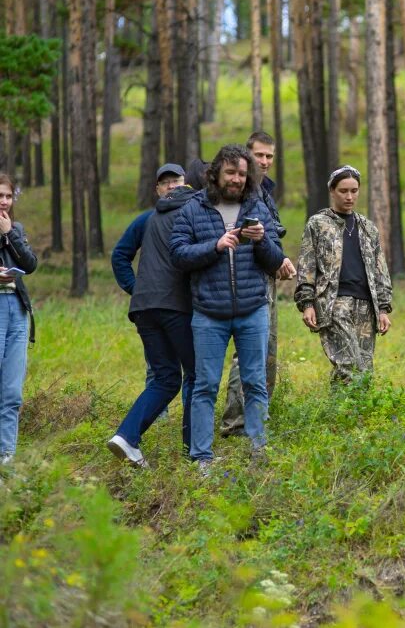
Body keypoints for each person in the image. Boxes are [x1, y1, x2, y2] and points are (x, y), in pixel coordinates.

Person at [170, 145, 285, 474]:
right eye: (230, 173)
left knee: (255, 382)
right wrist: (215, 246)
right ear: (216, 173)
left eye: (242, 174)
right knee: (205, 385)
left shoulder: (256, 205)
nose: (236, 179)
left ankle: (257, 449)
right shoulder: (194, 208)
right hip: (208, 312)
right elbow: (178, 254)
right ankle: (201, 457)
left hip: (252, 309)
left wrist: (263, 240)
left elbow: (276, 260)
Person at [107, 164, 196, 466]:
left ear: (186, 184)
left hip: (146, 310)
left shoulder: (174, 215)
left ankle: (127, 437)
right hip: (170, 307)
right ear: (157, 189)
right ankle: (196, 452)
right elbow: (120, 255)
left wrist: (143, 293)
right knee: (196, 375)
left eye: (177, 181)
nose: (172, 187)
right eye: (166, 183)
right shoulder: (151, 219)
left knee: (167, 377)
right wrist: (136, 287)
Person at [220, 131, 296, 437]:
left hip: (267, 275)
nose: (264, 161)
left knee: (267, 352)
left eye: (269, 156)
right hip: (247, 278)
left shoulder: (263, 190)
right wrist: (277, 259)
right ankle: (235, 423)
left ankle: (256, 418)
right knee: (250, 352)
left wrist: (280, 259)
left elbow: (269, 234)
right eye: (259, 155)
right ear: (246, 155)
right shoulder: (240, 191)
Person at [294, 165, 393, 384]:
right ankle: (347, 415)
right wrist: (307, 303)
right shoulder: (318, 224)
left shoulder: (367, 227)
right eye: (343, 191)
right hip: (334, 303)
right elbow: (306, 265)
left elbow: (380, 269)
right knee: (348, 365)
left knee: (364, 369)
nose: (349, 196)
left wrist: (384, 308)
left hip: (366, 305)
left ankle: (349, 416)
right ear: (332, 190)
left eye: (354, 190)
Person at [0, 174, 37, 466]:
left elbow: (30, 264)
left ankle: (7, 457)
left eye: (8, 196)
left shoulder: (16, 228)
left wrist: (9, 233)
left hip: (17, 309)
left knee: (12, 390)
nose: (4, 201)